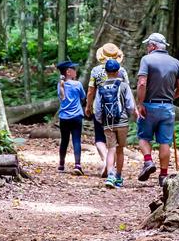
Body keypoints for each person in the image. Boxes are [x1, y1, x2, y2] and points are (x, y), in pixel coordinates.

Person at [135, 33, 179, 187]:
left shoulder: (147, 60)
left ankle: (148, 161)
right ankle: (163, 176)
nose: (147, 48)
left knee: (144, 137)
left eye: (148, 45)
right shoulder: (176, 62)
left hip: (149, 105)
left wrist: (140, 103)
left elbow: (142, 83)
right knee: (165, 142)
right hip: (167, 107)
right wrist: (170, 98)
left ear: (153, 46)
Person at [84, 42, 128, 177]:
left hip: (101, 108)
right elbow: (126, 90)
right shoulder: (122, 71)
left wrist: (88, 105)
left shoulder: (96, 71)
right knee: (116, 142)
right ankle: (111, 166)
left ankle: (105, 160)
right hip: (118, 111)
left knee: (99, 137)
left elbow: (91, 90)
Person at [92, 58, 137, 189]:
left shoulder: (101, 87)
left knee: (111, 149)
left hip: (108, 123)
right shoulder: (124, 86)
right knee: (120, 150)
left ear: (106, 71)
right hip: (122, 122)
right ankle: (118, 177)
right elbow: (130, 105)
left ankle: (110, 175)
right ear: (118, 71)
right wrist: (128, 115)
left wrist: (101, 120)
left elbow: (98, 109)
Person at [56, 60, 85, 175]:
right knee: (76, 140)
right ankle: (77, 165)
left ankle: (61, 164)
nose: (76, 71)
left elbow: (61, 97)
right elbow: (83, 96)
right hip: (77, 117)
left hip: (64, 118)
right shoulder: (77, 84)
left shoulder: (60, 85)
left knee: (64, 140)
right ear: (68, 72)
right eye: (74, 69)